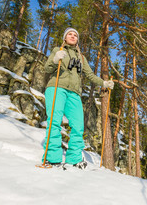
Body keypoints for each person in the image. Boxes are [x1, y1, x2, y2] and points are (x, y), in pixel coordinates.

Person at [43, 27, 114, 169]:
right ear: (65, 37)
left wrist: (104, 83)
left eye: (75, 34)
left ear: (77, 40)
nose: (73, 36)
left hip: (74, 93)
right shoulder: (58, 49)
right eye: (70, 33)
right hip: (57, 87)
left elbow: (90, 75)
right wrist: (56, 59)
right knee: (54, 122)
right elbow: (47, 69)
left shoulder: (81, 58)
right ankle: (52, 158)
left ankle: (74, 158)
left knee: (78, 126)